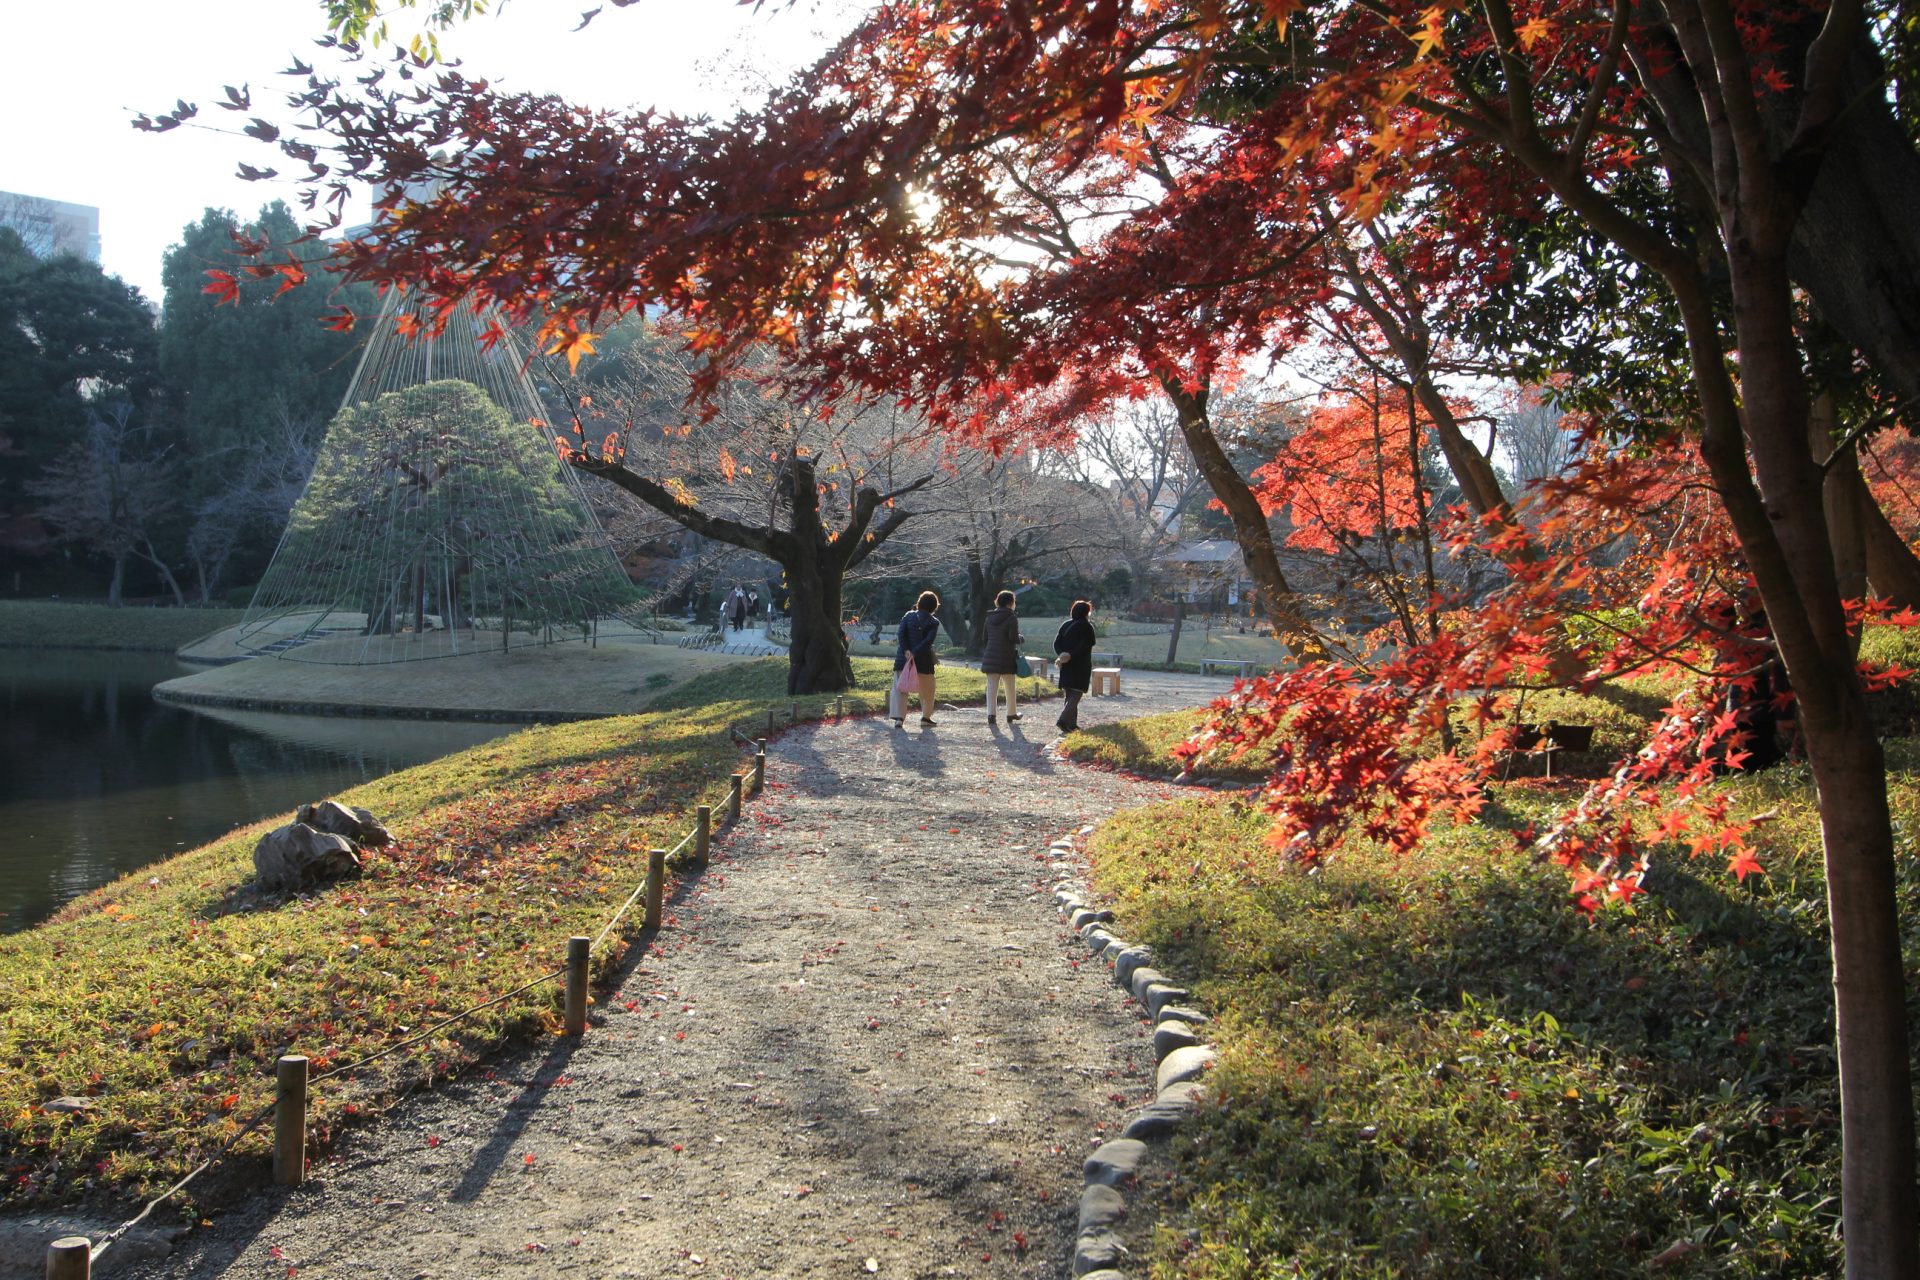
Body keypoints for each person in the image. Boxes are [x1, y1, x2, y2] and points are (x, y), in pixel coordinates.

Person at [893, 590, 943, 726]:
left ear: (919, 603)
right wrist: (915, 652)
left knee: (901, 688)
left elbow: (901, 634)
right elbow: (928, 641)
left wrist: (906, 651)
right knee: (928, 689)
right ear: (934, 607)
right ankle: (926, 718)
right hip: (923, 661)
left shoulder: (908, 615)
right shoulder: (934, 622)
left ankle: (899, 718)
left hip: (903, 659)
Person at [980, 589, 1024, 725]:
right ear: (1011, 603)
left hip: (991, 656)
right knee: (1010, 686)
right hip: (1006, 657)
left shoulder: (989, 617)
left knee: (991, 687)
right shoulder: (1011, 617)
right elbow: (1013, 637)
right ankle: (1011, 714)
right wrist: (1021, 638)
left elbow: (984, 638)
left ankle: (991, 715)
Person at [1053, 599, 1096, 733]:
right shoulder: (1087, 627)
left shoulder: (1066, 625)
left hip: (1066, 665)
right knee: (1076, 694)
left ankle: (1072, 724)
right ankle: (1063, 720)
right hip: (1081, 665)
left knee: (1069, 694)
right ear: (1086, 613)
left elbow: (1056, 643)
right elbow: (1085, 645)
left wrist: (1063, 655)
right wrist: (1071, 654)